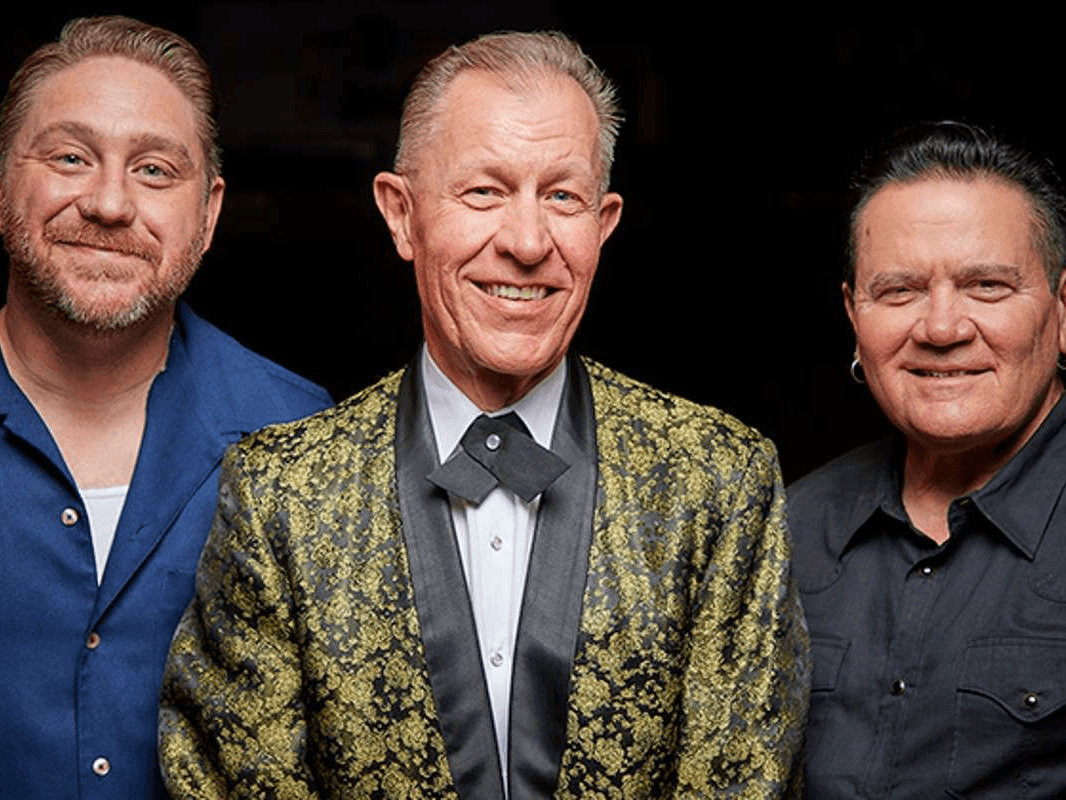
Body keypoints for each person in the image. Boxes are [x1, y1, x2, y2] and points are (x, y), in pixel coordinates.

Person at [160, 30, 808, 799]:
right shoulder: (280, 493)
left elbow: (742, 778)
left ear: (603, 224)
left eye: (562, 197)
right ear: (401, 214)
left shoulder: (717, 480)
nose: (528, 243)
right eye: (484, 192)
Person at [0, 16, 331, 799]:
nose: (110, 203)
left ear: (208, 215)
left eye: (154, 170)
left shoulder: (300, 439)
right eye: (71, 157)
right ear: (5, 178)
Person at [790, 121, 1066, 798]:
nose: (942, 328)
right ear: (854, 316)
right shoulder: (790, 527)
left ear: (1062, 309)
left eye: (987, 286)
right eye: (900, 291)